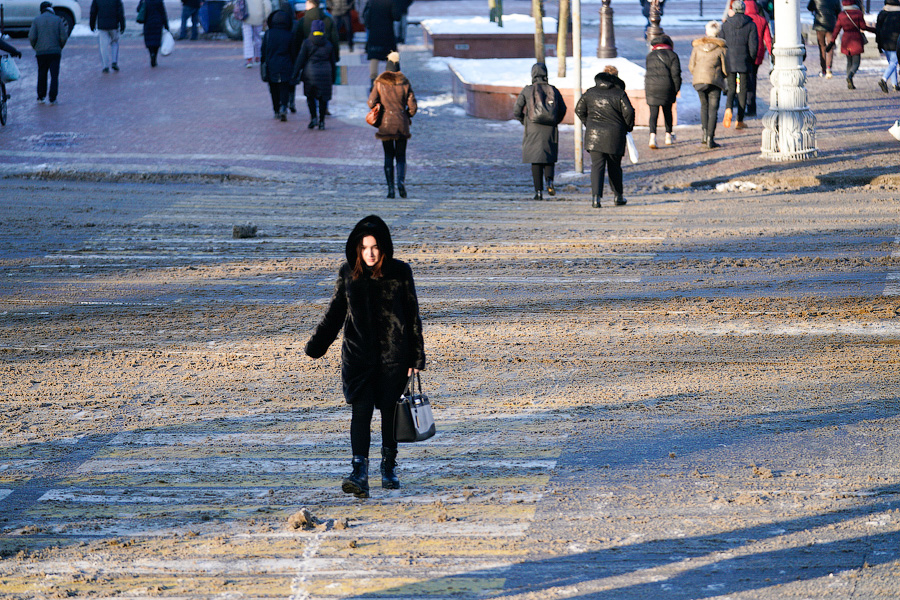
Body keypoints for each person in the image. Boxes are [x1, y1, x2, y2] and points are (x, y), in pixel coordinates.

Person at [305, 215, 426, 499]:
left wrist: (416, 358)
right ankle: (359, 472)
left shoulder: (400, 272)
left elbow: (412, 316)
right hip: (358, 358)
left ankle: (389, 467)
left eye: (374, 247)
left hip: (393, 358)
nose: (370, 253)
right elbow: (335, 314)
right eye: (364, 248)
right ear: (357, 249)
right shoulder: (349, 273)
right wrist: (316, 345)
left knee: (388, 414)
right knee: (360, 414)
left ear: (383, 248)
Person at [574, 65, 635, 209]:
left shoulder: (590, 92)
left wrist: (588, 124)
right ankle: (618, 196)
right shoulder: (619, 93)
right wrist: (626, 127)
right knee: (615, 167)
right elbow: (629, 112)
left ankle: (596, 199)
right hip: (615, 135)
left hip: (594, 136)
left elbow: (578, 109)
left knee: (597, 166)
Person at [513, 63, 566, 200]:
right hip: (550, 128)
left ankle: (538, 192)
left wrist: (525, 122)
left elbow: (517, 110)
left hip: (532, 127)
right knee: (549, 158)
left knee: (535, 159)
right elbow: (563, 109)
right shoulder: (553, 89)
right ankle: (549, 181)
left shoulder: (527, 90)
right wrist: (555, 121)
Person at [368, 51, 416, 198]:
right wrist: (406, 115)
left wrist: (379, 108)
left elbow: (371, 102)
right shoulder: (405, 82)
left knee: (388, 155)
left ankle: (390, 189)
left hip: (385, 124)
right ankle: (401, 183)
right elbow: (413, 107)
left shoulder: (379, 82)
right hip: (401, 123)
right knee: (401, 156)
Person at [689, 21, 728, 149]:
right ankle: (711, 138)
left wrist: (698, 74)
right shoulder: (721, 48)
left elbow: (691, 66)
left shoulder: (697, 47)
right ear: (719, 33)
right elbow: (725, 69)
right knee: (713, 109)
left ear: (707, 32)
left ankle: (704, 135)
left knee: (703, 107)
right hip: (715, 81)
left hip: (699, 81)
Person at [294, 19, 338, 129]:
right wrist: (333, 77)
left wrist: (295, 74)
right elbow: (333, 63)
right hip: (325, 74)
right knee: (323, 99)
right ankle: (322, 121)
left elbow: (300, 59)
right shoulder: (328, 44)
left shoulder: (307, 43)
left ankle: (313, 118)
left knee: (310, 97)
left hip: (310, 74)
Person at [721, 0, 757, 130]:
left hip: (730, 60)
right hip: (744, 61)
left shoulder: (725, 25)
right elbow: (753, 46)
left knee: (731, 88)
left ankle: (728, 108)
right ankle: (739, 120)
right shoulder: (751, 25)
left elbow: (722, 44)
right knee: (743, 90)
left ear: (733, 10)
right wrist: (751, 60)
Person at [644, 34, 681, 149]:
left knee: (653, 113)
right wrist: (676, 89)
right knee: (667, 111)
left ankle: (652, 137)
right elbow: (676, 75)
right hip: (667, 87)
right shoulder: (673, 55)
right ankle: (668, 135)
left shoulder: (650, 56)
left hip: (651, 87)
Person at [828, 0, 875, 89]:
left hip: (846, 39)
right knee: (856, 63)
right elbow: (863, 27)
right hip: (856, 39)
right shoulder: (858, 13)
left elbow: (837, 29)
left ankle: (850, 82)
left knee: (849, 62)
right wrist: (874, 30)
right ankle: (850, 76)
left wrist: (832, 42)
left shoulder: (842, 14)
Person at [28, 2, 68, 106]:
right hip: (55, 52)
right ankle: (52, 98)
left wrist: (36, 47)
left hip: (41, 52)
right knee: (54, 75)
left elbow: (32, 37)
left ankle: (41, 96)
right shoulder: (58, 19)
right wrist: (59, 47)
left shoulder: (36, 20)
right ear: (50, 9)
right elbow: (63, 36)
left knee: (42, 73)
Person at [261, 8, 294, 120]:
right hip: (285, 65)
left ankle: (276, 109)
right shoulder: (289, 34)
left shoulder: (268, 34)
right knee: (284, 87)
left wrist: (263, 63)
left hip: (271, 65)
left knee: (273, 89)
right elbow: (293, 52)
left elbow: (263, 51)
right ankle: (284, 106)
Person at [743, 0, 772, 116]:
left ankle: (745, 104)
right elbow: (768, 40)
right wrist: (771, 53)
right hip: (758, 54)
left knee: (745, 79)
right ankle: (752, 106)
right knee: (753, 79)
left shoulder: (744, 19)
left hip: (745, 53)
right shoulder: (762, 20)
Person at [362, 0, 399, 89]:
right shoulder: (390, 2)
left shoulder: (371, 2)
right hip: (387, 33)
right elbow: (396, 16)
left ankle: (373, 82)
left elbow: (365, 16)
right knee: (390, 57)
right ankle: (390, 81)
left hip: (374, 33)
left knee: (374, 57)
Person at [90, 0, 125, 73]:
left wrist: (92, 24)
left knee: (103, 46)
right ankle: (114, 61)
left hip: (102, 26)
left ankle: (105, 66)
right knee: (114, 42)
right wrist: (122, 25)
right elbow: (120, 12)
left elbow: (93, 12)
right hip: (114, 25)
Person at [811, 0, 842, 78]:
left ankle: (823, 69)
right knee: (830, 46)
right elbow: (839, 11)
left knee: (822, 46)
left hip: (819, 24)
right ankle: (829, 68)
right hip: (831, 24)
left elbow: (809, 7)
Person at [876, 0, 900, 92]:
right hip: (896, 42)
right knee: (894, 62)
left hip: (885, 42)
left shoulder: (882, 13)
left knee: (892, 63)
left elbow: (878, 29)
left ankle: (895, 84)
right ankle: (883, 80)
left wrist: (878, 43)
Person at [140, 0, 169, 67]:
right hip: (158, 23)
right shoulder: (159, 1)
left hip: (148, 23)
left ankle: (151, 53)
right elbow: (163, 13)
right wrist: (166, 25)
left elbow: (139, 9)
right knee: (156, 41)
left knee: (149, 40)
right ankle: (154, 56)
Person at [243, 0, 271, 67]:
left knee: (247, 38)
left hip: (246, 16)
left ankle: (249, 59)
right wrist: (266, 17)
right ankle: (258, 57)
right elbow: (268, 6)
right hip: (259, 17)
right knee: (258, 38)